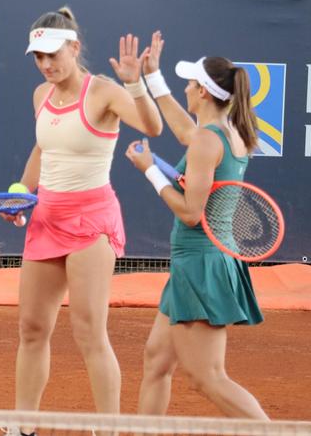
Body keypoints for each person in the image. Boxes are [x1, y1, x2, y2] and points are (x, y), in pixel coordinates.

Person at [7, 7, 163, 435]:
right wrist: (21, 192)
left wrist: (135, 83)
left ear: (74, 48)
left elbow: (152, 126)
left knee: (89, 332)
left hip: (91, 222)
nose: (46, 64)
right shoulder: (41, 95)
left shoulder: (104, 93)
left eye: (53, 54)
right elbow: (44, 149)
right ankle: (22, 427)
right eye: (39, 57)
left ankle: (107, 430)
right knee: (32, 328)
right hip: (46, 219)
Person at [124, 31, 268, 420]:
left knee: (207, 377)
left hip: (201, 265)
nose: (186, 89)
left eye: (189, 84)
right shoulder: (227, 133)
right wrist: (152, 78)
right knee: (157, 360)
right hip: (202, 260)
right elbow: (186, 132)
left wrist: (151, 170)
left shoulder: (208, 140)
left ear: (202, 92)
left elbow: (190, 213)